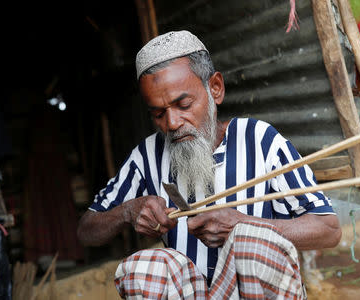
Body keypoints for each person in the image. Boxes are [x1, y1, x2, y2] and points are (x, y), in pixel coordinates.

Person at [77, 30, 342, 299]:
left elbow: (328, 228)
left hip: (254, 292)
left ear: (215, 88)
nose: (172, 123)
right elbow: (87, 229)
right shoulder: (148, 155)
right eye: (158, 113)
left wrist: (244, 226)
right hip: (193, 292)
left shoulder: (260, 140)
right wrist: (128, 211)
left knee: (251, 243)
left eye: (184, 104)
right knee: (142, 271)